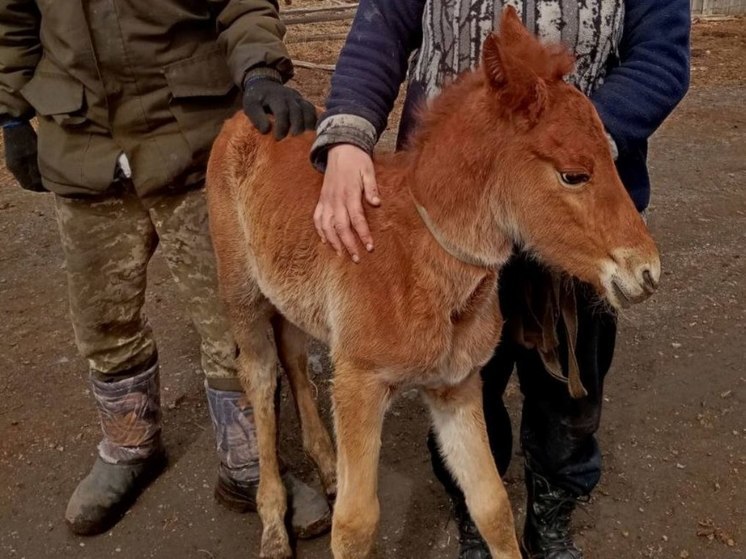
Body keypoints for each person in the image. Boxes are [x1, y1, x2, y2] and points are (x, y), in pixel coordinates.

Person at [310, 1, 690, 558]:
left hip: (574, 195)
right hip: (450, 206)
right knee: (458, 374)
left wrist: (566, 141)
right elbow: (383, 24)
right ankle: (475, 511)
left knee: (570, 385)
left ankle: (552, 506)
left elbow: (661, 57)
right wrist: (347, 133)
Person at [0, 0, 330, 539]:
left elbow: (244, 5)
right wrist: (13, 116)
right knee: (103, 320)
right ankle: (130, 448)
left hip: (192, 147)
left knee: (234, 324)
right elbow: (12, 22)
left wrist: (260, 71)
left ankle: (249, 466)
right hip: (83, 144)